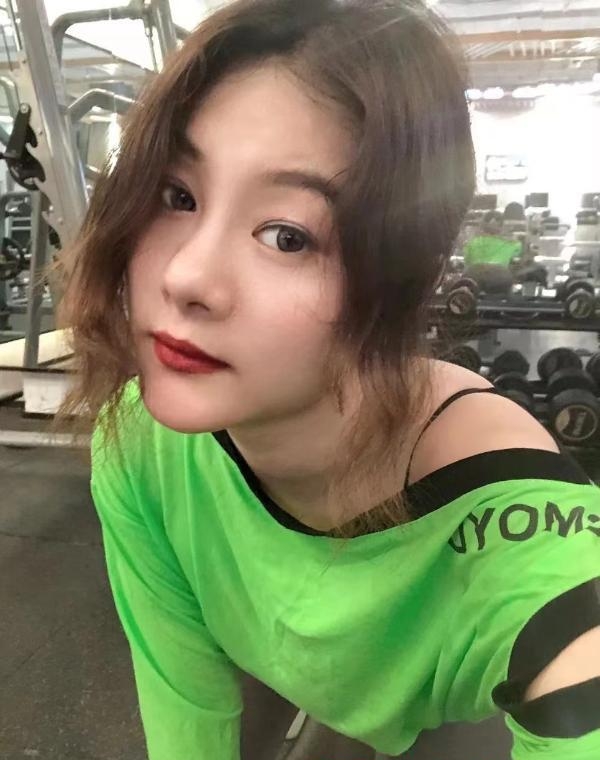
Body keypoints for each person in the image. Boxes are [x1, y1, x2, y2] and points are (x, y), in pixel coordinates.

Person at [56, 0, 600, 758]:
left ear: (400, 276)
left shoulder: (536, 557)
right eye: (178, 196)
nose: (186, 276)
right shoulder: (141, 444)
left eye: (288, 236)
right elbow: (184, 708)